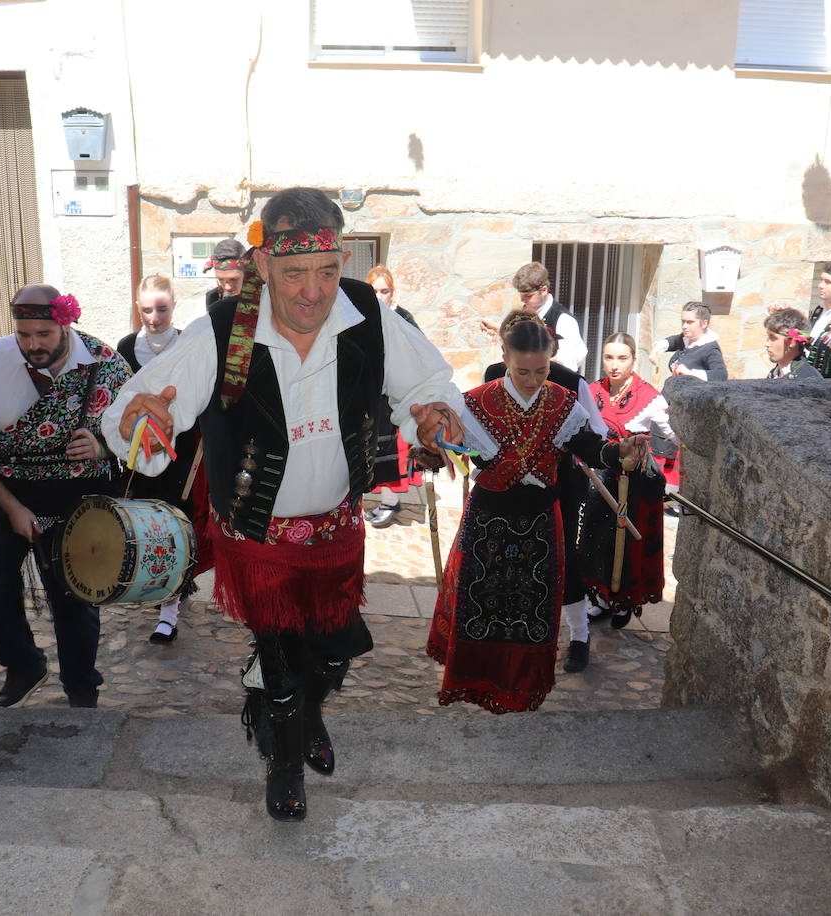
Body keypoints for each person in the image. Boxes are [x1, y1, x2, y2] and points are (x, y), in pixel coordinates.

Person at [103, 188, 463, 821]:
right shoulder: (221, 330)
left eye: (326, 272)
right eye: (294, 273)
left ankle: (304, 717)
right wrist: (143, 418)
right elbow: (135, 413)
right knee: (280, 661)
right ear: (263, 264)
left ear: (342, 261)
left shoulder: (367, 314)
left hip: (337, 532)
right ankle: (285, 763)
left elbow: (427, 383)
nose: (312, 292)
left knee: (338, 647)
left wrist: (433, 414)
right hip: (257, 539)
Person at [428, 312, 645, 713]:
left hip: (542, 523)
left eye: (541, 370)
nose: (532, 380)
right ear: (505, 357)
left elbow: (589, 447)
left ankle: (523, 685)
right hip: (488, 520)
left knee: (533, 606)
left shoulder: (564, 402)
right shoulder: (475, 403)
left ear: (552, 359)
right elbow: (460, 455)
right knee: (482, 601)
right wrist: (437, 448)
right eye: (523, 370)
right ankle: (477, 679)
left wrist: (620, 450)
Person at [0, 284, 131, 709]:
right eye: (24, 335)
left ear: (66, 325)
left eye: (43, 335)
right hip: (2, 489)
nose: (32, 345)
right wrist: (12, 507)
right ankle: (24, 664)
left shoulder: (106, 365)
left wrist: (104, 446)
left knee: (75, 599)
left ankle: (81, 686)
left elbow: (144, 434)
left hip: (77, 499)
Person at [481, 312, 607, 673]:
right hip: (507, 489)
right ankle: (507, 639)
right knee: (505, 562)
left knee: (563, 561)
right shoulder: (492, 377)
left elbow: (594, 434)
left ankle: (579, 636)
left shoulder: (570, 384)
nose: (532, 378)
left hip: (561, 486)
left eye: (540, 368)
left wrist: (564, 442)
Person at [116, 274, 210, 644]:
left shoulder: (189, 344)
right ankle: (154, 584)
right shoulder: (126, 347)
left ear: (173, 306)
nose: (154, 317)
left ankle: (170, 608)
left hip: (179, 452)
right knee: (145, 524)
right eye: (146, 310)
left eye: (162, 309)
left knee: (176, 526)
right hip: (138, 454)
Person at [580, 332, 671, 632]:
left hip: (636, 486)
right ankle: (603, 599)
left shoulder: (650, 398)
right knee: (598, 540)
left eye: (622, 358)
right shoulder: (591, 392)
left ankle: (625, 601)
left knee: (628, 544)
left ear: (634, 359)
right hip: (601, 480)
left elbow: (674, 435)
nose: (614, 365)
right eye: (609, 357)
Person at [364, 265, 425, 528]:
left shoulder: (403, 318)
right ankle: (382, 499)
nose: (379, 297)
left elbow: (420, 352)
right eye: (374, 291)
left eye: (384, 291)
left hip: (396, 399)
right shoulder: (361, 318)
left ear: (392, 292)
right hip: (371, 397)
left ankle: (389, 502)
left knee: (391, 453)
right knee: (371, 450)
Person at [660, 301, 728, 381]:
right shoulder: (686, 339)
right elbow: (673, 341)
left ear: (704, 324)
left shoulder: (710, 349)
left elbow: (721, 374)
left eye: (690, 322)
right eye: (683, 322)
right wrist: (658, 348)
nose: (684, 326)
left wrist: (689, 373)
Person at [763, 308, 824, 380]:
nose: (767, 344)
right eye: (768, 337)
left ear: (792, 341)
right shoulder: (773, 374)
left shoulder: (808, 379)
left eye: (773, 338)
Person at [203, 238, 248, 309]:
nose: (227, 287)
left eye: (233, 279)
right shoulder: (209, 301)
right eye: (220, 279)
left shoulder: (264, 299)